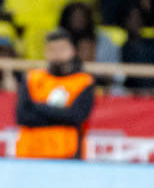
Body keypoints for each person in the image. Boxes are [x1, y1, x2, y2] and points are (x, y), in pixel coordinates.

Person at [15, 29, 95, 159]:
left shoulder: (84, 82)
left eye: (62, 49)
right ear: (45, 52)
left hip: (67, 154)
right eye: (52, 49)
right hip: (30, 153)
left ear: (73, 50)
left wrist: (37, 106)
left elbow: (75, 116)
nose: (57, 54)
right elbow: (23, 116)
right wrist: (61, 115)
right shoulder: (32, 78)